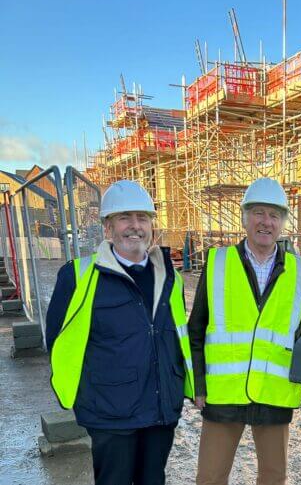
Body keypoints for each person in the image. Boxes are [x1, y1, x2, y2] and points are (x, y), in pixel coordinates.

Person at [46, 180, 194, 485]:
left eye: (143, 218)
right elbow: (59, 343)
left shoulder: (170, 278)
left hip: (160, 409)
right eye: (124, 217)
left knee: (153, 480)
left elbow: (175, 338)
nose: (135, 227)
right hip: (110, 415)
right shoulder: (77, 276)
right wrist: (81, 399)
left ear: (152, 226)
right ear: (108, 228)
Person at [188, 177, 301, 485]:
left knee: (273, 477)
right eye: (258, 212)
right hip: (223, 393)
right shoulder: (218, 262)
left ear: (283, 222)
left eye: (274, 215)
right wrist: (198, 384)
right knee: (210, 477)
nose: (265, 222)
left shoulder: (300, 270)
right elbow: (196, 328)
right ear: (245, 217)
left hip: (274, 391)